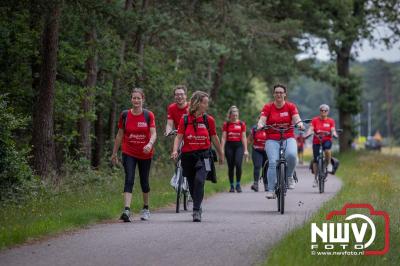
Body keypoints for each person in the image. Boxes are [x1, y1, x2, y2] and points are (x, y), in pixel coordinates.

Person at [171, 91, 224, 222]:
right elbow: (179, 137)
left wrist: (221, 153)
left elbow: (214, 137)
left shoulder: (208, 120)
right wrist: (175, 151)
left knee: (199, 180)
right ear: (197, 103)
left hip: (205, 155)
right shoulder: (185, 119)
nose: (207, 105)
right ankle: (197, 205)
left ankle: (195, 211)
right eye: (205, 103)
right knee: (191, 183)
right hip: (188, 156)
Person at [111, 88, 157, 222]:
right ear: (131, 99)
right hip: (128, 151)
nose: (136, 100)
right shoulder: (125, 115)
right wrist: (114, 153)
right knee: (129, 178)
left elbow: (154, 133)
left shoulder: (148, 115)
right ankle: (126, 210)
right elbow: (119, 135)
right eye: (134, 98)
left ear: (143, 99)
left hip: (145, 153)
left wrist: (149, 144)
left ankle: (146, 208)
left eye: (138, 98)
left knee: (144, 181)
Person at [257, 84, 304, 199]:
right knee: (273, 162)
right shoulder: (268, 107)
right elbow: (262, 120)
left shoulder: (290, 106)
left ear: (284, 94)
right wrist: (260, 125)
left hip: (288, 137)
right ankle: (271, 190)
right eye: (276, 92)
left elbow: (296, 118)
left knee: (292, 156)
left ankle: (289, 176)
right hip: (272, 138)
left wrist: (300, 124)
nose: (278, 94)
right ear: (274, 94)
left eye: (281, 92)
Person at [305, 104, 338, 187]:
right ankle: (315, 179)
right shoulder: (315, 120)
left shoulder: (331, 121)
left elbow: (333, 130)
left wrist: (334, 134)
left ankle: (328, 164)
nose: (323, 112)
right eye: (322, 110)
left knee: (327, 150)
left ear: (328, 112)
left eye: (325, 110)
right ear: (320, 111)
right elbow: (311, 128)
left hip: (327, 140)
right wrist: (307, 134)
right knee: (316, 160)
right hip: (317, 140)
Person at [220, 106, 249, 192]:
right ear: (230, 115)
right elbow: (224, 137)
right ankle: (232, 185)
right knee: (231, 166)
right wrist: (221, 150)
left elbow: (244, 137)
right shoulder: (227, 124)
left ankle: (238, 184)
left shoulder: (241, 124)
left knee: (238, 164)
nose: (235, 117)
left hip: (239, 146)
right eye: (233, 115)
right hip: (229, 146)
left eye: (236, 115)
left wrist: (246, 149)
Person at [248, 120, 268, 192]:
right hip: (257, 150)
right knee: (257, 166)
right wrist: (246, 151)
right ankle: (255, 184)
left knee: (266, 168)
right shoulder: (255, 128)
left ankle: (266, 185)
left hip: (267, 151)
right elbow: (249, 139)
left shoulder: (269, 128)